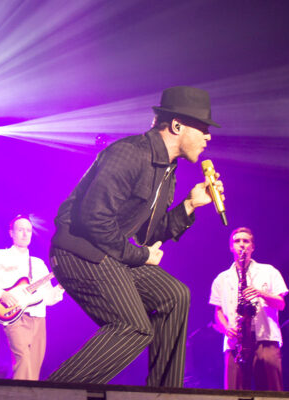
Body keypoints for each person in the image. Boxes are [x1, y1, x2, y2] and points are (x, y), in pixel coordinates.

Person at [48, 86, 224, 387]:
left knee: (175, 295)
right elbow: (93, 219)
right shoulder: (129, 153)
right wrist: (140, 256)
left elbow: (148, 233)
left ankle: (164, 393)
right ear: (177, 125)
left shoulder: (167, 171)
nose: (208, 137)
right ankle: (49, 393)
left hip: (109, 252)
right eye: (203, 129)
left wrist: (190, 205)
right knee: (133, 326)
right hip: (78, 251)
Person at [0, 216, 64, 380]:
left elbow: (48, 299)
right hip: (14, 317)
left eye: (28, 230)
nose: (25, 234)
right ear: (11, 233)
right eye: (20, 229)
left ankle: (27, 392)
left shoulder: (38, 264)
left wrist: (61, 287)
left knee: (34, 368)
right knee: (23, 360)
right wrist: (2, 294)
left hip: (38, 317)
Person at [209, 227, 288, 390]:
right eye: (237, 241)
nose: (241, 245)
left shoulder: (269, 271)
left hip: (265, 339)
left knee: (272, 393)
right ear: (231, 247)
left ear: (253, 247)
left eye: (246, 241)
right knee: (234, 392)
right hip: (236, 342)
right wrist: (227, 328)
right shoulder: (221, 279)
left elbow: (281, 304)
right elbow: (218, 312)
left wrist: (260, 293)